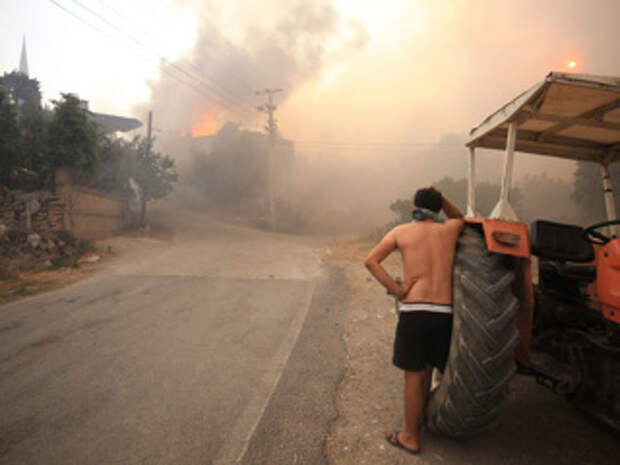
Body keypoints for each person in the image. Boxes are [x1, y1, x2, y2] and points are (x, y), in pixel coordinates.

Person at [364, 186, 464, 454]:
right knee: (428, 368)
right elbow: (460, 217)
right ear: (438, 207)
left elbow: (371, 261)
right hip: (444, 313)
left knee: (413, 375)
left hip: (415, 310)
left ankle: (409, 435)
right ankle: (418, 420)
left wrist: (397, 290)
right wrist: (443, 199)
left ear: (414, 207)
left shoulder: (401, 231)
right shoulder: (450, 229)